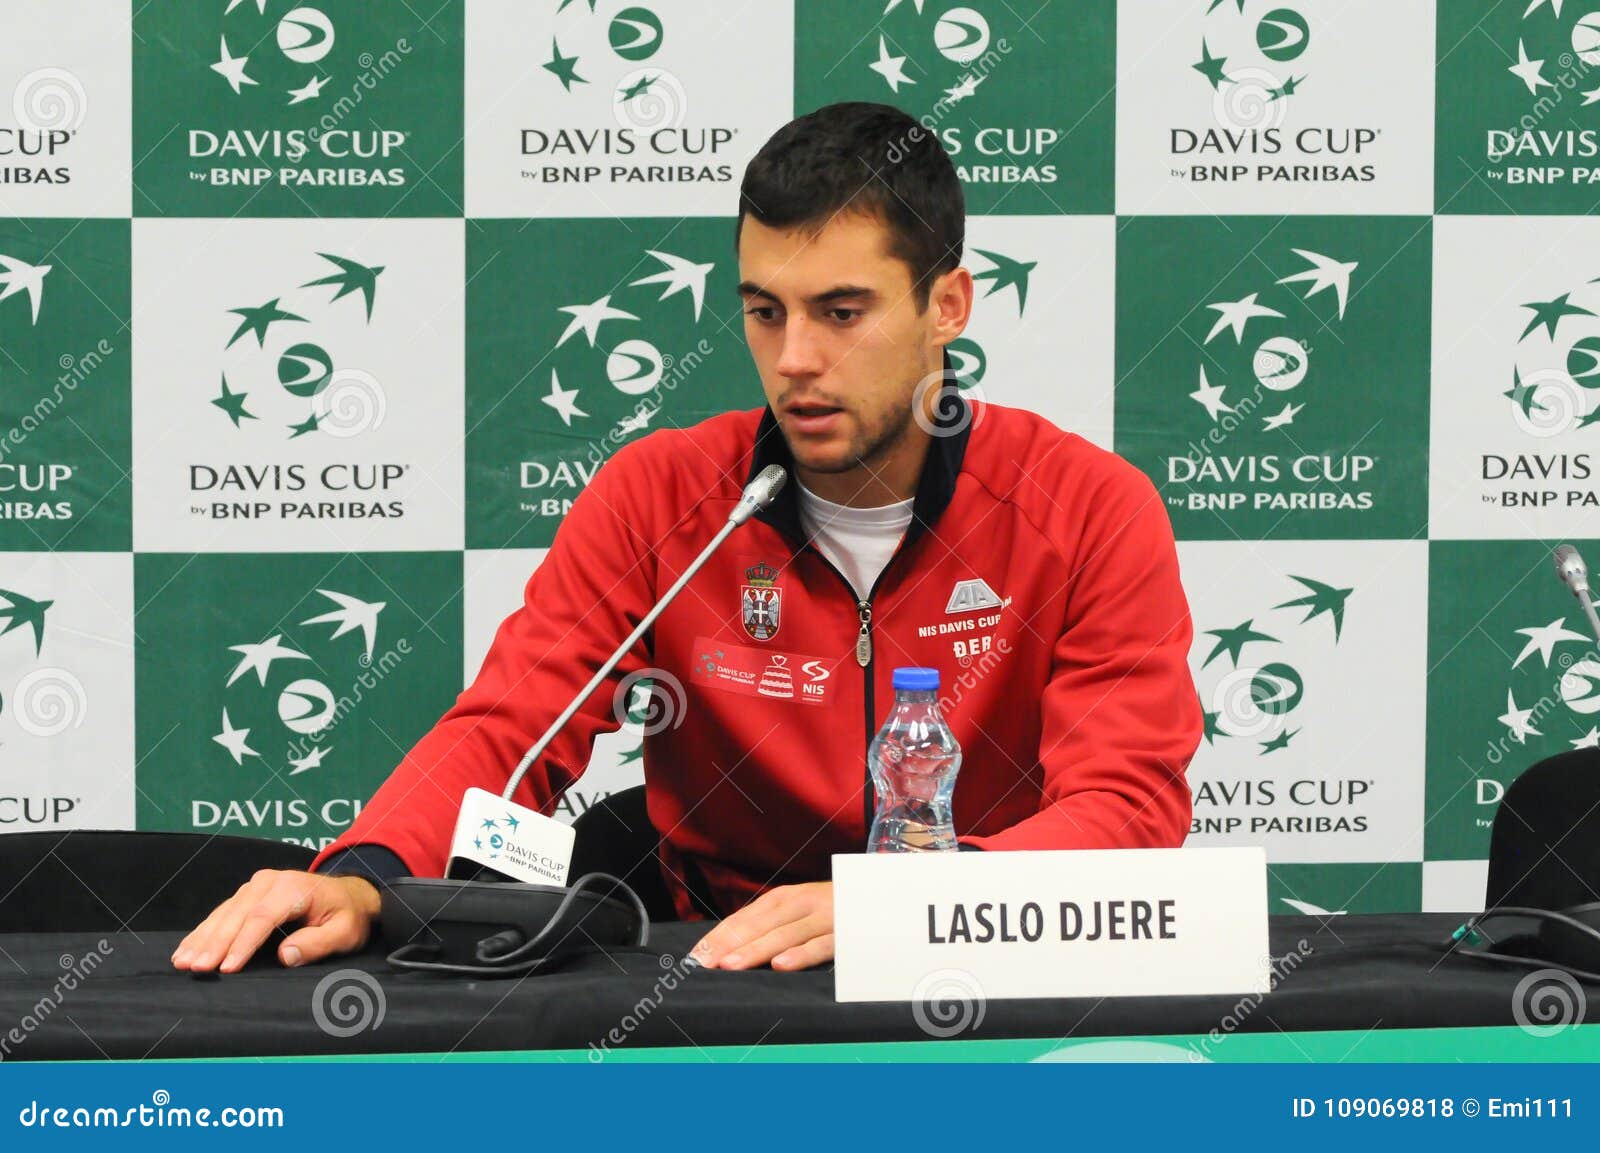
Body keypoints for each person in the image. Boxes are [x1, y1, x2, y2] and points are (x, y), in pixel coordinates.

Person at [172, 101, 1201, 977]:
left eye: (842, 311)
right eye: (763, 311)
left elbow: (1126, 808)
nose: (794, 359)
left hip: (976, 960)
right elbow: (511, 723)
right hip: (710, 970)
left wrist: (914, 905)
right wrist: (371, 871)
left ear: (947, 306)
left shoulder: (1084, 508)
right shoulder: (662, 492)